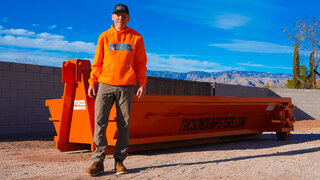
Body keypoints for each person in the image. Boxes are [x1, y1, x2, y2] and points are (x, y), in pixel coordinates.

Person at [85, 4, 147, 176]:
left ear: (128, 18)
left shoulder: (136, 38)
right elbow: (97, 62)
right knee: (100, 121)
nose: (120, 18)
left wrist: (142, 83)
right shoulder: (104, 37)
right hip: (105, 84)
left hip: (127, 85)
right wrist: (92, 82)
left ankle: (119, 161)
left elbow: (141, 63)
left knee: (124, 124)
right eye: (117, 15)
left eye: (124, 15)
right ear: (112, 17)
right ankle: (98, 161)